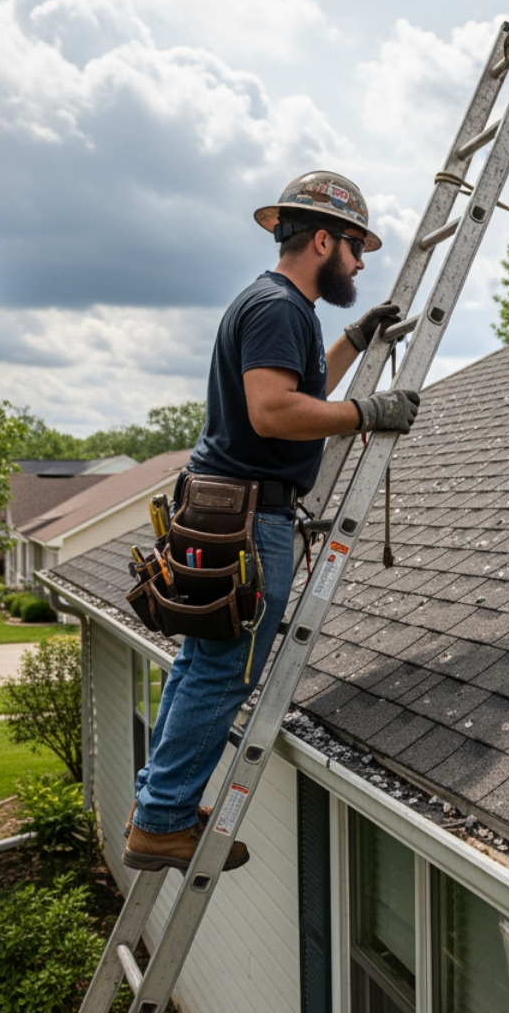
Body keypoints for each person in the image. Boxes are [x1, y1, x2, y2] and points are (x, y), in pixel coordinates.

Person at [124, 171, 420, 871]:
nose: (360, 263)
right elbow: (273, 411)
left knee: (201, 663)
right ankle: (163, 821)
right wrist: (367, 412)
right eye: (355, 247)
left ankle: (158, 805)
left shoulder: (276, 305)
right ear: (322, 240)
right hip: (249, 520)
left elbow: (299, 386)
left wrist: (352, 341)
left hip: (225, 509)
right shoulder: (280, 308)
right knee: (226, 672)